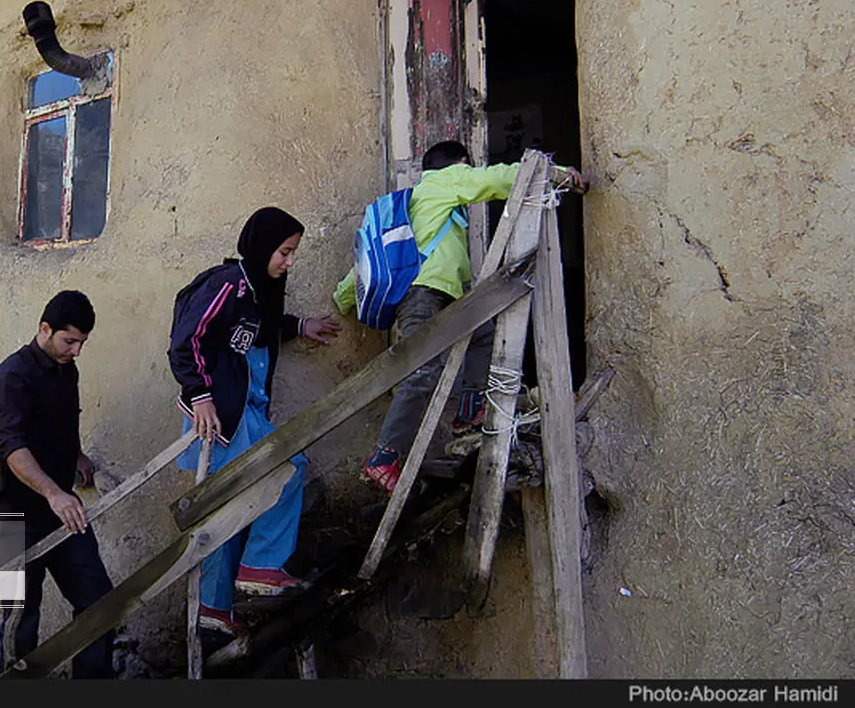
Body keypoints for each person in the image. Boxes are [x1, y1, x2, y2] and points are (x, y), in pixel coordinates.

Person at [333, 141, 587, 493]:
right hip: (425, 293)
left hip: (441, 293)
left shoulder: (415, 201)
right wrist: (557, 176)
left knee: (483, 333)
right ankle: (384, 457)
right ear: (461, 163)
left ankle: (469, 411)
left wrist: (342, 298)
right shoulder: (447, 181)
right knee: (423, 372)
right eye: (466, 167)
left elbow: (364, 266)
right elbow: (499, 178)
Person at [168, 207, 341, 636]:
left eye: (292, 253)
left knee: (231, 510)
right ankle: (262, 567)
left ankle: (214, 607)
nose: (288, 261)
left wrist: (301, 325)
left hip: (247, 411)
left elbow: (260, 328)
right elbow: (186, 342)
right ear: (263, 247)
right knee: (286, 469)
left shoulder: (258, 292)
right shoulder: (226, 285)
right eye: (284, 252)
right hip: (224, 416)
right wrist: (201, 396)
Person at [0, 290, 115, 678]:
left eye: (82, 343)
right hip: (14, 516)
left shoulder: (66, 369)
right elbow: (12, 448)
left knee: (99, 603)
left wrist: (76, 455)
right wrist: (55, 492)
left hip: (61, 515)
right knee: (23, 619)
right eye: (69, 340)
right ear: (44, 328)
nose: (76, 351)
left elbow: (57, 422)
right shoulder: (11, 378)